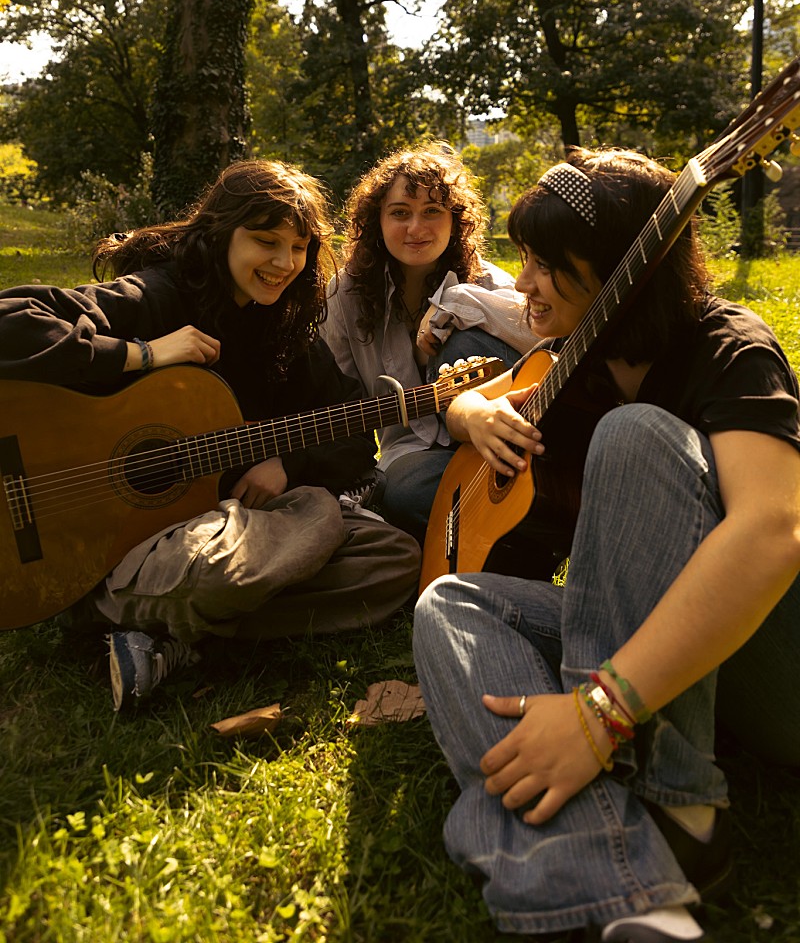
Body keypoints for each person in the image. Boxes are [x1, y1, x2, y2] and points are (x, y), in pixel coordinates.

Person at [412, 148, 800, 942]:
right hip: (667, 654)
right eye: (525, 257)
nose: (523, 284)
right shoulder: (583, 352)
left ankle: (676, 797)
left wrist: (599, 710)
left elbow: (772, 532)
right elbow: (476, 396)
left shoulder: (731, 348)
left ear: (626, 271)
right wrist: (470, 417)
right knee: (450, 604)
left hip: (772, 658)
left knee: (633, 438)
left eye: (550, 265)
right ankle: (629, 887)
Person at [0, 160, 421, 711]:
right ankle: (98, 603)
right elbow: (10, 319)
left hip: (212, 535)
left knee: (393, 559)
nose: (282, 263)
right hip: (130, 547)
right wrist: (142, 354)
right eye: (264, 241)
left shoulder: (283, 327)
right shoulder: (161, 294)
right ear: (222, 232)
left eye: (297, 248)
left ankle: (165, 632)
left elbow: (349, 423)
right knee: (255, 550)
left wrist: (287, 466)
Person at [321, 144, 532, 543]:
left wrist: (455, 303)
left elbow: (545, 339)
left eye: (432, 211)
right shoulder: (344, 295)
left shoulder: (486, 283)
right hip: (417, 457)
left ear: (455, 221)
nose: (416, 228)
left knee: (466, 337)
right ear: (376, 221)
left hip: (501, 436)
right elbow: (341, 402)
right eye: (400, 213)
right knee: (402, 492)